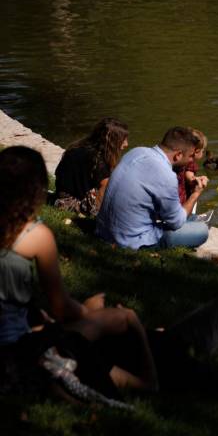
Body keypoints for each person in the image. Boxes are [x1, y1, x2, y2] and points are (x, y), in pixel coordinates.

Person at [0, 146, 158, 398]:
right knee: (123, 317)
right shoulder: (34, 235)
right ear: (36, 190)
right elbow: (61, 307)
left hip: (18, 339)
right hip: (16, 351)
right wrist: (88, 309)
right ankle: (149, 384)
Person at [96, 126, 209, 250]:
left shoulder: (136, 151)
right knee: (202, 230)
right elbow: (176, 223)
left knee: (189, 218)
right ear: (178, 155)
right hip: (129, 240)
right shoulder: (166, 175)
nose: (192, 161)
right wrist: (195, 194)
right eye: (191, 157)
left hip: (103, 230)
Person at [54, 118, 129, 216]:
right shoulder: (99, 159)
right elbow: (107, 187)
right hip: (72, 204)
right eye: (123, 139)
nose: (126, 144)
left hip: (61, 198)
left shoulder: (79, 147)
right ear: (111, 140)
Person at [175, 128, 209, 206]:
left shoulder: (177, 159)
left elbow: (189, 175)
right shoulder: (190, 163)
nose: (203, 153)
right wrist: (196, 180)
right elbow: (189, 175)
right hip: (182, 200)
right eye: (202, 151)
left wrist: (194, 179)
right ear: (196, 151)